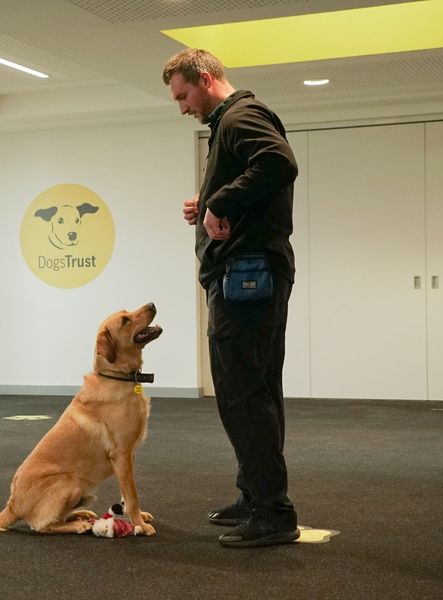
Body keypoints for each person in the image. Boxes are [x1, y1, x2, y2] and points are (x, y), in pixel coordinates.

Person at [162, 48, 300, 548]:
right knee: (257, 391)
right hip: (254, 272)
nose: (182, 107)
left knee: (242, 394)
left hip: (246, 276)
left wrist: (220, 199)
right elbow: (258, 180)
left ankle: (273, 512)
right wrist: (210, 200)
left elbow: (279, 163)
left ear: (204, 78)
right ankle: (254, 494)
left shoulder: (241, 116)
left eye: (183, 96)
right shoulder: (232, 122)